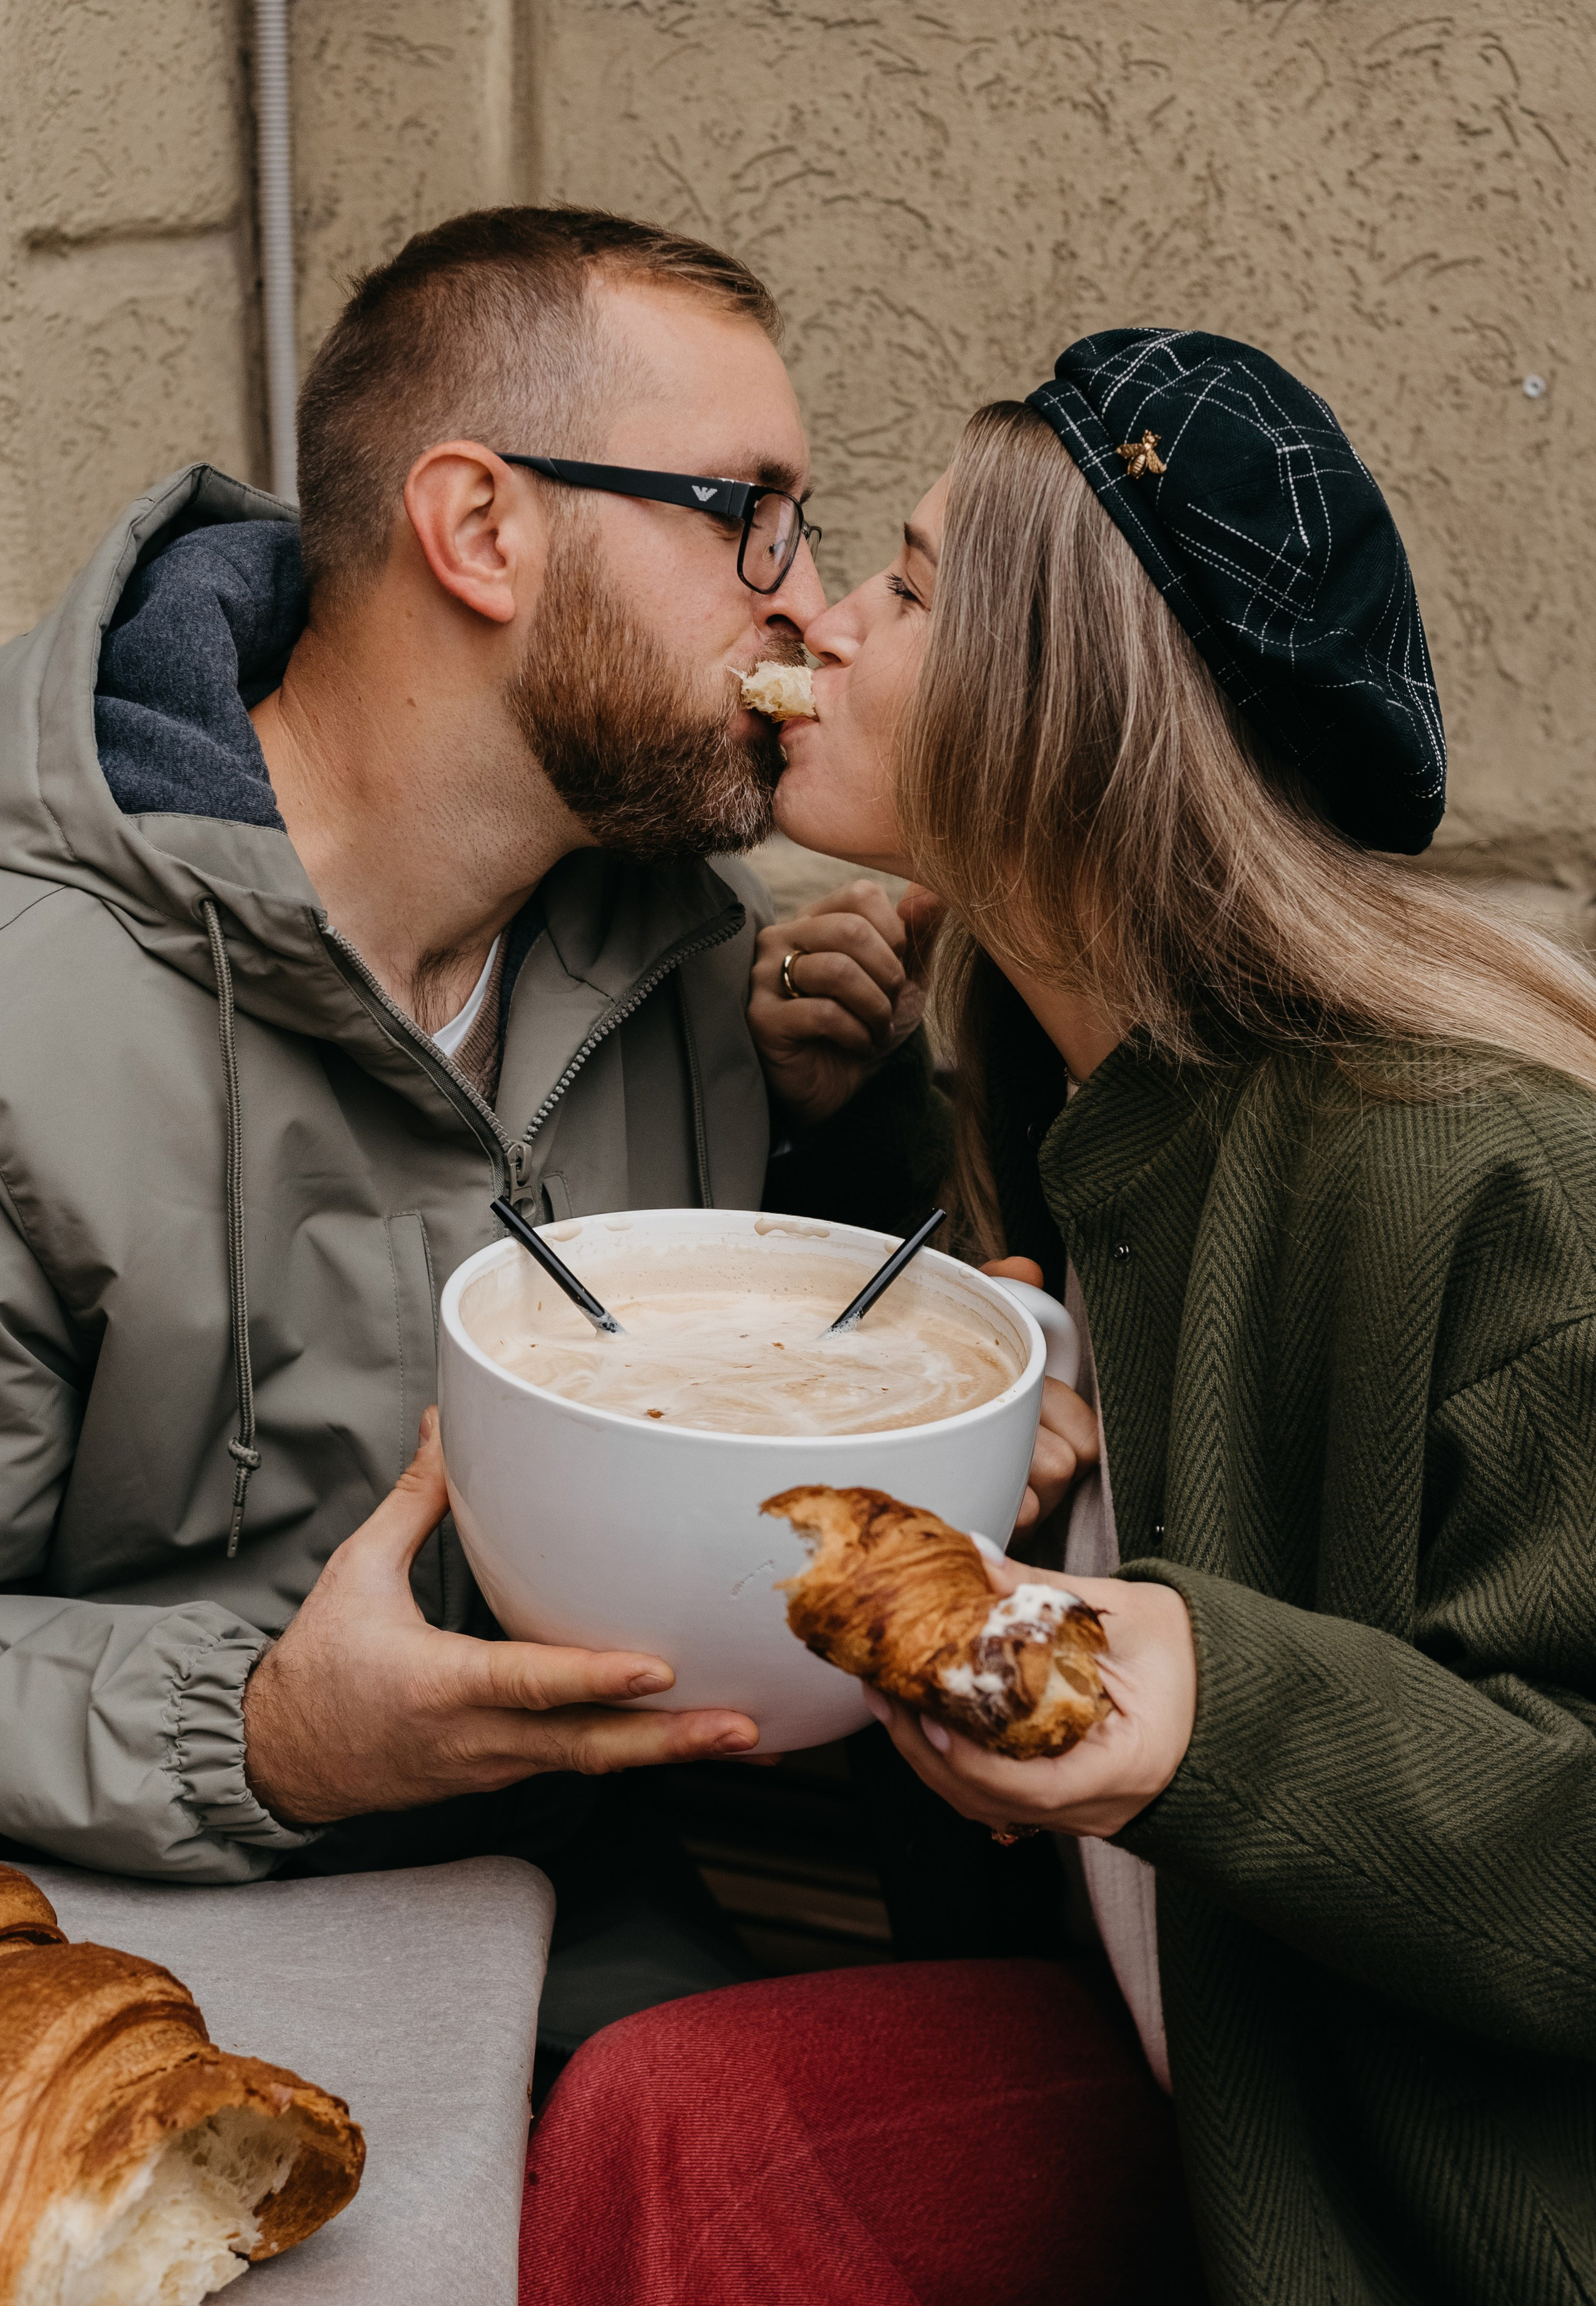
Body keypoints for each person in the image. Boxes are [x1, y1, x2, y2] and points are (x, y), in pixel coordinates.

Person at [520, 330, 1596, 2306]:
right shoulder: (1030, 1107)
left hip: (1460, 2244)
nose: (820, 614)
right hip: (1208, 2082)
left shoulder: (1502, 1183)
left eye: (908, 585)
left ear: (1060, 703)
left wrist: (1219, 1703)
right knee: (688, 2132)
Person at [0, 201, 991, 1968]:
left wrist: (834, 1126)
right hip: (125, 1944)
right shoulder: (32, 1010)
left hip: (579, 1908)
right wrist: (266, 1738)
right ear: (480, 528)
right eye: (747, 514)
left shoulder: (681, 951)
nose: (809, 598)